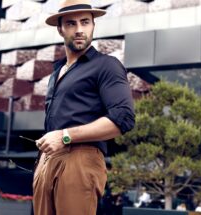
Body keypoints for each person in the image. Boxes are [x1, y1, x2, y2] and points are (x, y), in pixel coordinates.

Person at [32, 0, 135, 214]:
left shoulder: (107, 65)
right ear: (60, 29)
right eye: (71, 24)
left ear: (93, 25)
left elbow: (123, 117)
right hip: (47, 162)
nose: (79, 30)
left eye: (85, 22)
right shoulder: (56, 71)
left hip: (80, 159)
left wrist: (65, 136)